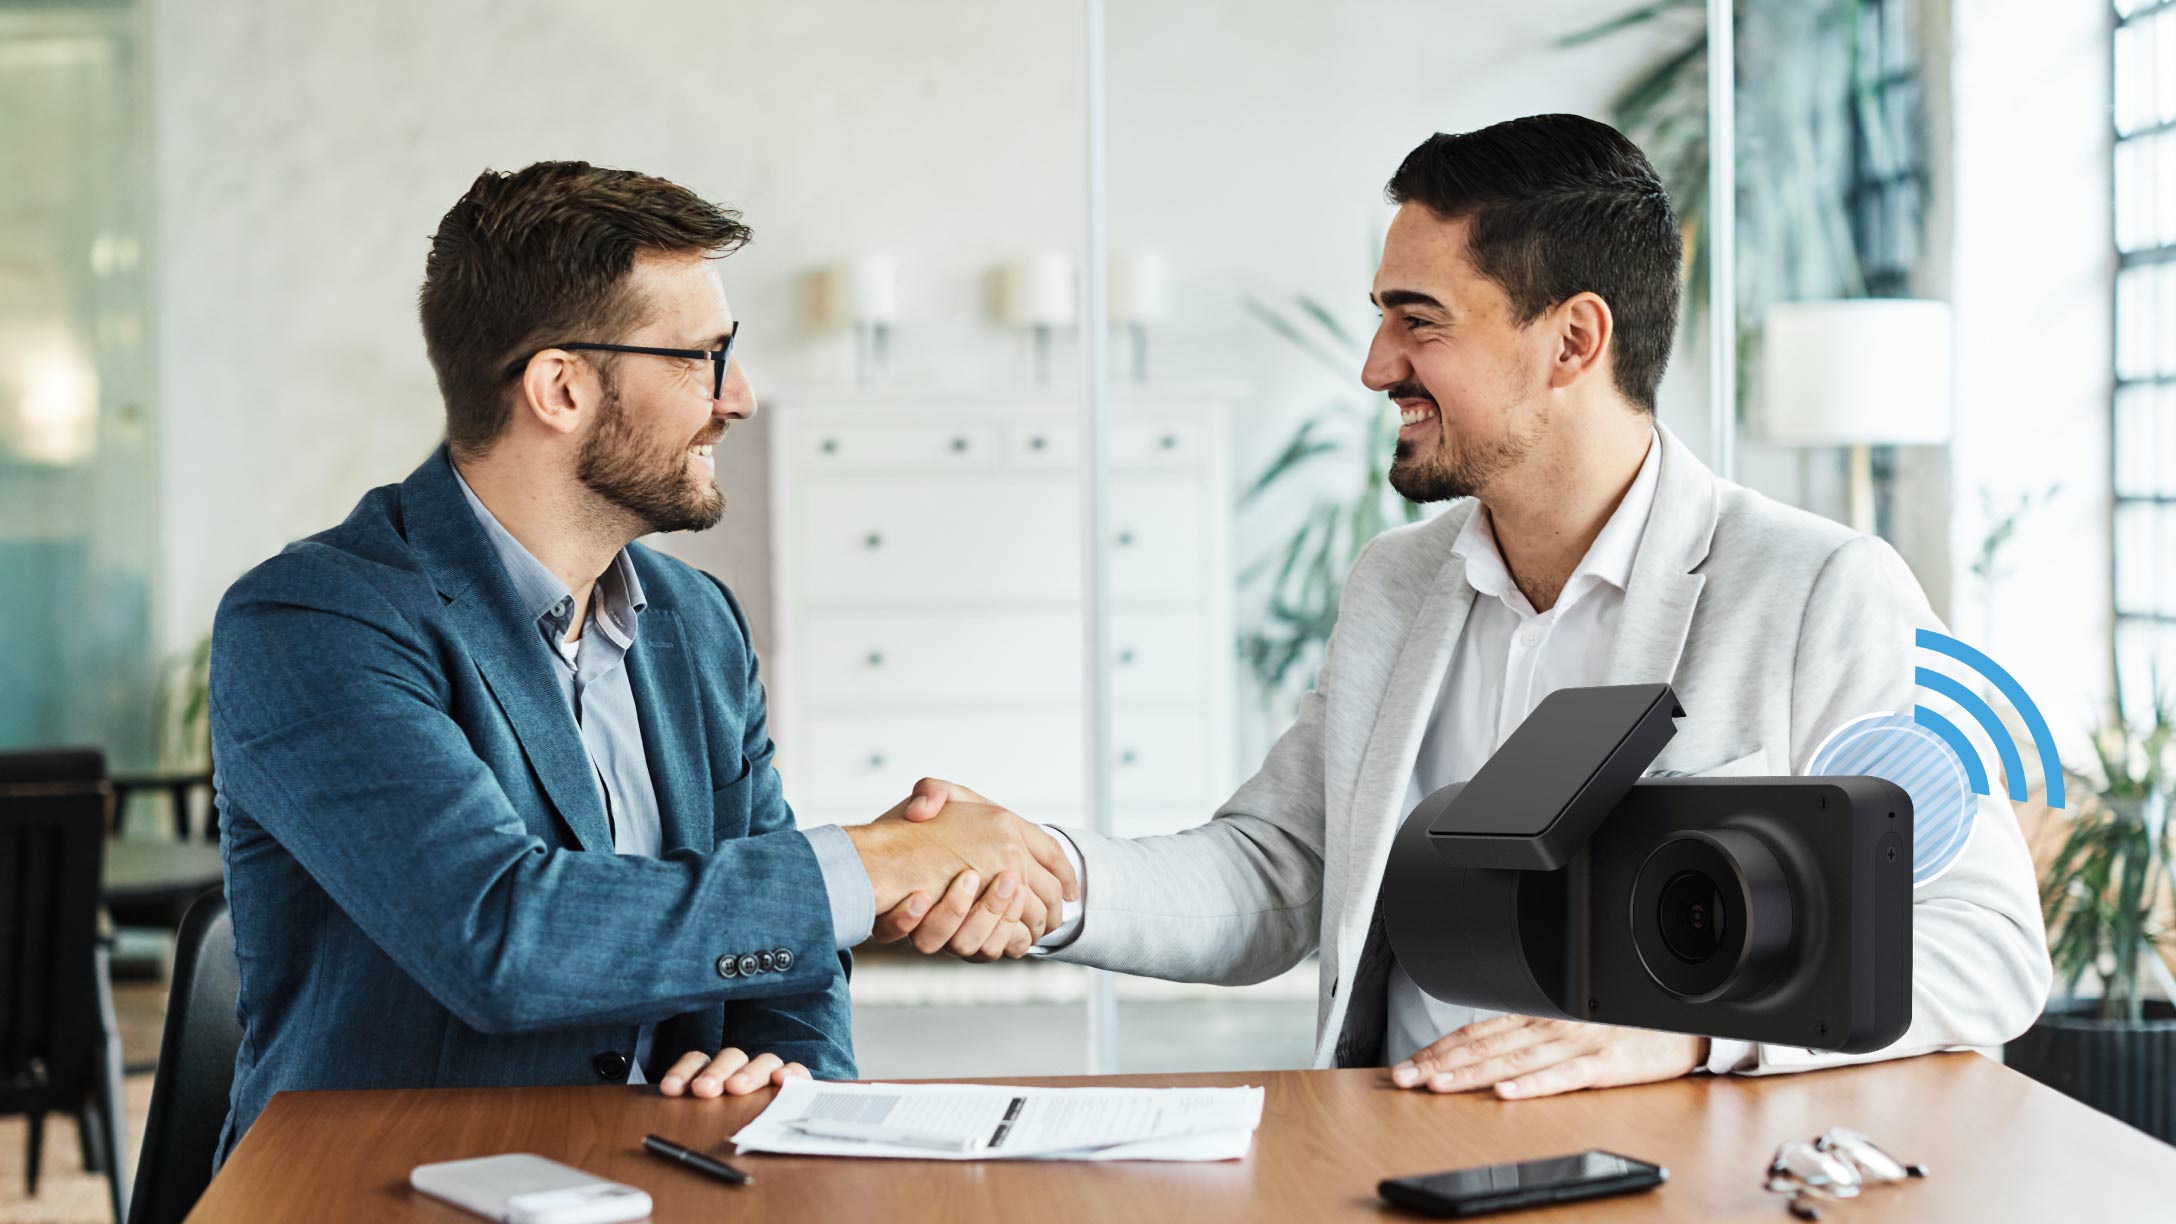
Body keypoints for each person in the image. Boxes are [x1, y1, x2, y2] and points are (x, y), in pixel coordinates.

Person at [880, 114, 2052, 1099]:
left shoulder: (1819, 591)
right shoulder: (1398, 583)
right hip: (1394, 1150)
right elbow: (1277, 871)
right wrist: (1050, 871)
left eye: (1418, 319)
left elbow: (1985, 947)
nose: (1375, 365)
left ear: (1572, 340)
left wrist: (1687, 1038)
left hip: (1661, 1176)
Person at [208, 161, 1073, 1153]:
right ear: (562, 387)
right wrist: (877, 861)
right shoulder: (314, 621)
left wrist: (785, 1075)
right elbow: (500, 933)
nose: (737, 397)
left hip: (659, 1179)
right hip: (383, 1188)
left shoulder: (697, 623)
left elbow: (796, 967)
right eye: (703, 356)